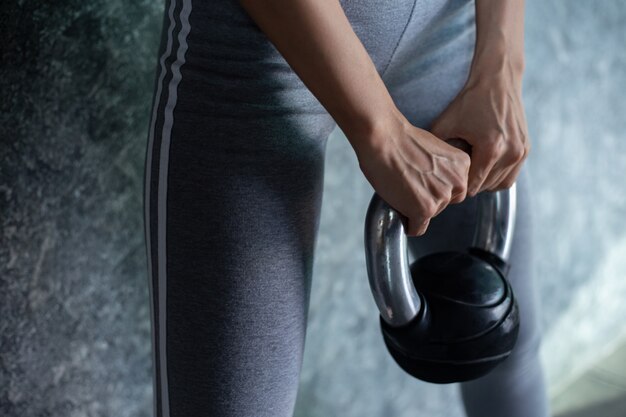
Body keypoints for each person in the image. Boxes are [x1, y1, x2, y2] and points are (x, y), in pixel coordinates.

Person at [142, 0, 551, 415]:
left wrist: (500, 68)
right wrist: (379, 129)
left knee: (507, 349)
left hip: (445, 30)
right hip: (259, 55)